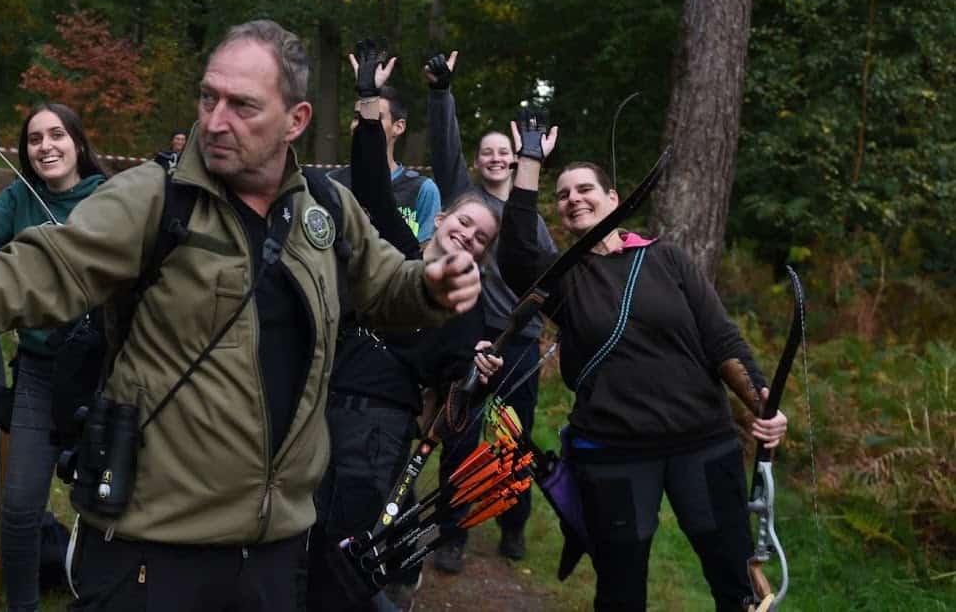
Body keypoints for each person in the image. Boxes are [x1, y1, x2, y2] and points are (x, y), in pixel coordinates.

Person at [0, 20, 483, 612]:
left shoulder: (326, 211)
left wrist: (432, 282)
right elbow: (32, 272)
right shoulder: (153, 199)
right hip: (152, 556)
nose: (214, 121)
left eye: (242, 106)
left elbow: (385, 287)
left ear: (295, 120)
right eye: (207, 98)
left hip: (277, 553)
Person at [494, 112, 788, 612]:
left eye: (585, 188)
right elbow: (517, 252)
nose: (572, 199)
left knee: (733, 581)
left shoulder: (666, 259)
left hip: (702, 442)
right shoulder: (566, 279)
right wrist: (528, 160)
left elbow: (721, 339)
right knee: (620, 590)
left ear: (614, 199)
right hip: (614, 453)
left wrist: (763, 403)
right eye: (563, 195)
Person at [309, 47, 497, 612]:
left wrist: (477, 375)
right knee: (303, 538)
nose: (468, 235)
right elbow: (368, 178)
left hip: (380, 427)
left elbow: (455, 394)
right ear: (440, 218)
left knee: (346, 555)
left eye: (482, 238)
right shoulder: (392, 247)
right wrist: (368, 95)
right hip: (318, 404)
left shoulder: (468, 305)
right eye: (465, 221)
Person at [0, 103, 105, 612]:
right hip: (38, 373)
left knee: (106, 503)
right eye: (35, 139)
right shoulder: (19, 196)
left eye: (57, 135)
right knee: (19, 509)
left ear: (78, 142)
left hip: (104, 375)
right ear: (26, 152)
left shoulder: (108, 198)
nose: (46, 146)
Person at [425, 50, 557, 570]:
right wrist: (442, 93)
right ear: (478, 162)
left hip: (520, 344)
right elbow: (444, 146)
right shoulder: (466, 200)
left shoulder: (531, 220)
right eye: (488, 152)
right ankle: (451, 532)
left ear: (515, 157)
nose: (497, 158)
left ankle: (514, 523)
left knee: (513, 437)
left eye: (505, 151)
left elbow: (551, 279)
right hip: (472, 335)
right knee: (460, 430)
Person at [329, 74, 441, 244]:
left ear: (399, 126)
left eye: (374, 117)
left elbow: (425, 257)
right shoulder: (331, 183)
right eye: (357, 117)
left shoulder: (422, 190)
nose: (362, 125)